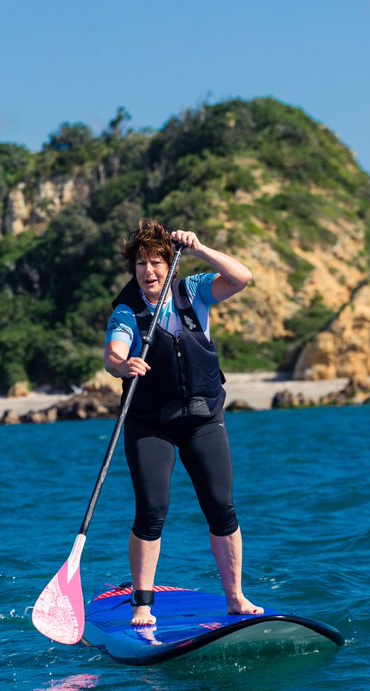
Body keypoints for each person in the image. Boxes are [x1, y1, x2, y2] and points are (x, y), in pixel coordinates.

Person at [104, 219, 263, 626]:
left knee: (221, 507)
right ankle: (142, 604)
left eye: (156, 261)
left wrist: (200, 249)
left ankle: (236, 598)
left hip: (202, 417)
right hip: (150, 423)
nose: (149, 271)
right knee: (152, 510)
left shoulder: (193, 291)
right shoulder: (126, 310)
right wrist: (124, 365)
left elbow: (242, 278)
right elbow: (113, 354)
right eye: (141, 263)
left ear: (170, 263)